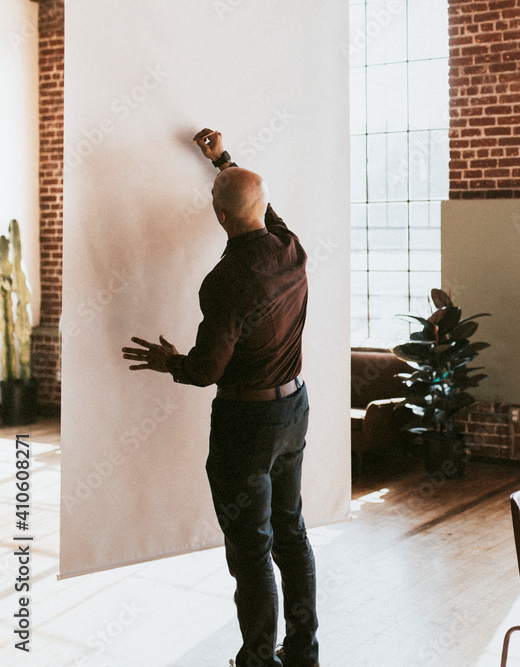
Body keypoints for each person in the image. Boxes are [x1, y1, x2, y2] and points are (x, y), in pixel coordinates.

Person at [122, 128, 319, 667]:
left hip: (246, 426)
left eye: (215, 201)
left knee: (252, 549)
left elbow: (207, 371)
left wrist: (167, 361)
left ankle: (257, 660)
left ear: (222, 217)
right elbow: (262, 205)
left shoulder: (226, 280)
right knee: (292, 534)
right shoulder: (291, 247)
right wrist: (224, 162)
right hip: (294, 410)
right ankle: (302, 653)